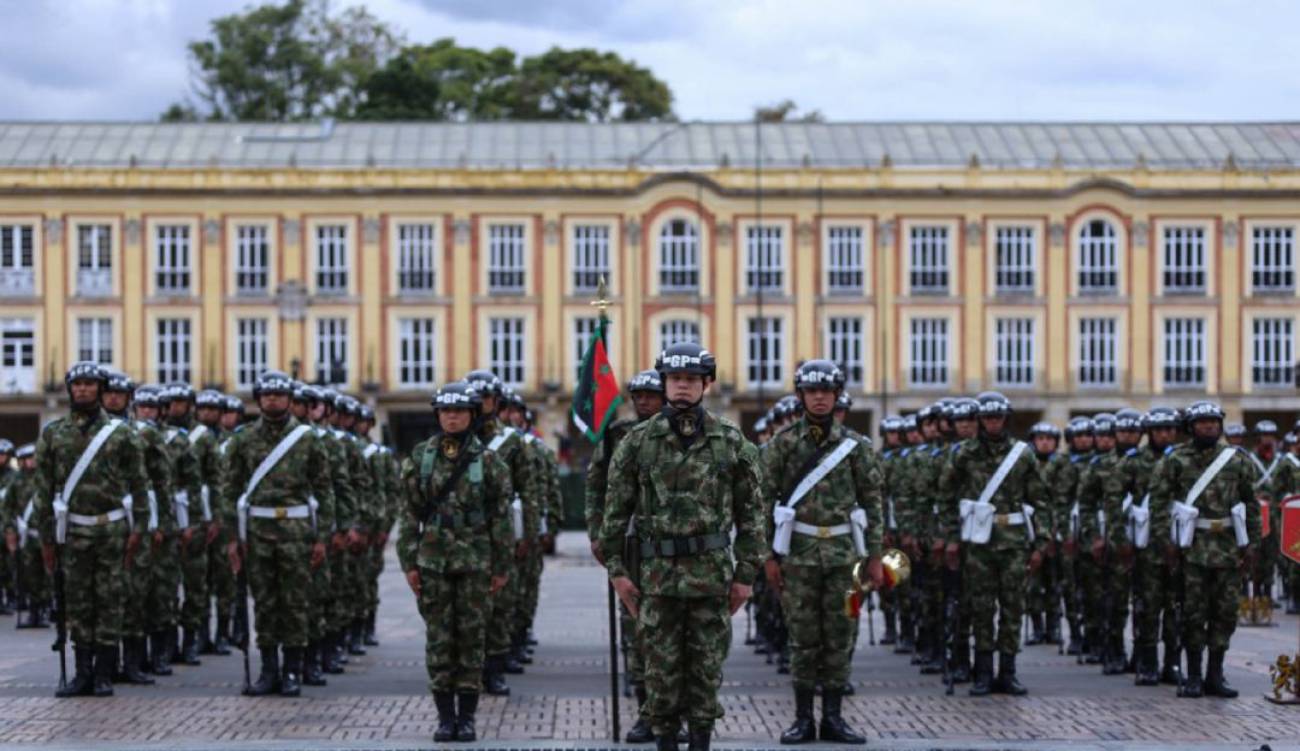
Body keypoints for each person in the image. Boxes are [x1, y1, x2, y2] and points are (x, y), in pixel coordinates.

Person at [600, 342, 766, 751]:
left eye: (691, 379)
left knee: (706, 674)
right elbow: (615, 515)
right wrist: (618, 575)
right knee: (660, 676)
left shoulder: (730, 440)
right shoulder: (638, 442)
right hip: (656, 580)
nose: (682, 387)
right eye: (675, 379)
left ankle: (701, 743)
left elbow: (752, 516)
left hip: (710, 578)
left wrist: (745, 577)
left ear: (706, 384)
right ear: (664, 382)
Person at [762, 360, 883, 745]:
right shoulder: (781, 445)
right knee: (801, 638)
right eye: (812, 391)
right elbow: (761, 503)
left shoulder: (857, 447)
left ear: (836, 396)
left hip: (845, 556)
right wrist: (766, 556)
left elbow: (872, 502)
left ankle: (833, 718)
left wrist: (876, 556)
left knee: (840, 636)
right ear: (800, 396)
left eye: (826, 392)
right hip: (797, 555)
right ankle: (802, 719)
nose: (819, 398)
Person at [34, 362, 151, 697]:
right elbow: (43, 488)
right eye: (77, 384)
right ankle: (81, 673)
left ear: (100, 389)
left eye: (89, 384)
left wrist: (139, 528)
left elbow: (140, 484)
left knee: (110, 601)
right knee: (78, 603)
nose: (83, 390)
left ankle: (103, 674)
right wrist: (46, 537)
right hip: (72, 532)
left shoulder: (122, 433)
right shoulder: (54, 433)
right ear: (70, 389)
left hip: (112, 529)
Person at [223, 370, 333, 697]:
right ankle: (269, 671)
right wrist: (232, 537)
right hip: (257, 532)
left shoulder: (308, 438)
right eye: (267, 395)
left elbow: (324, 490)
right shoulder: (242, 440)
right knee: (266, 603)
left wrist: (321, 537)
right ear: (258, 400)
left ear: (289, 399)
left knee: (295, 603)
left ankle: (292, 672)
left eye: (279, 395)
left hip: (297, 532)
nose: (273, 400)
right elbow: (229, 489)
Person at [939, 392, 1048, 696]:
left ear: (1006, 419)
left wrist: (1041, 542)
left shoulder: (1022, 454)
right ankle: (983, 673)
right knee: (981, 608)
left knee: (1013, 607)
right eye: (987, 418)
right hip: (978, 542)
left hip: (1013, 541)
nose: (992, 423)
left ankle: (1008, 672)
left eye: (997, 417)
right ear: (979, 421)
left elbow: (1040, 499)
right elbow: (945, 497)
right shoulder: (964, 454)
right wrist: (950, 537)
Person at [1150, 401, 1260, 698]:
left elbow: (1252, 503)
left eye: (1214, 421)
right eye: (1202, 422)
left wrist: (1251, 544)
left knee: (1224, 613)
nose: (1210, 426)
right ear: (1191, 427)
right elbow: (1158, 503)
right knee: (1193, 613)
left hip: (1226, 547)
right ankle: (1194, 675)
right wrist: (1166, 543)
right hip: (1192, 548)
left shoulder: (1236, 459)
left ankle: (1216, 674)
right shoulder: (1176, 460)